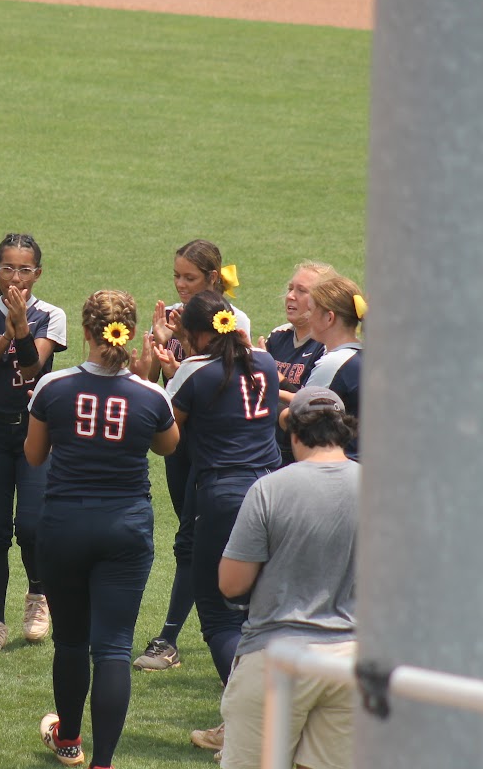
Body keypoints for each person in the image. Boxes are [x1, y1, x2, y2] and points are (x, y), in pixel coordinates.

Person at [26, 290, 180, 769]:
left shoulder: (52, 387)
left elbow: (34, 456)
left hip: (65, 526)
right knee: (112, 647)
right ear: (129, 333)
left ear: (88, 333)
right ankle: (104, 763)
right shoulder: (149, 395)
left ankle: (69, 740)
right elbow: (168, 447)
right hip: (125, 529)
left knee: (70, 642)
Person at [153, 291, 279, 753]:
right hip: (272, 489)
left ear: (196, 333)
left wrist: (160, 373)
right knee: (259, 609)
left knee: (217, 610)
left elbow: (163, 435)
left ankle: (251, 720)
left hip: (224, 496)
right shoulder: (263, 362)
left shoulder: (192, 372)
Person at [217, 386, 359, 769]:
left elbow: (232, 584)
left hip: (276, 657)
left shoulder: (270, 489)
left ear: (293, 433)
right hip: (352, 662)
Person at [134, 239, 249, 673]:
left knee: (191, 540)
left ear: (213, 279)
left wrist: (178, 349)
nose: (181, 285)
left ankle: (170, 637)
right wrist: (165, 359)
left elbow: (220, 377)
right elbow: (175, 385)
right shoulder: (176, 318)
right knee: (190, 535)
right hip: (180, 442)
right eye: (177, 276)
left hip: (211, 450)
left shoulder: (233, 321)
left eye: (191, 278)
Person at [0, 233, 67, 652]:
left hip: (34, 430)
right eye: (8, 268)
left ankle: (38, 597)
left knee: (31, 525)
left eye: (25, 270)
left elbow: (34, 364)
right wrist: (6, 334)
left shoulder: (51, 316)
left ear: (37, 273)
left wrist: (20, 328)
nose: (16, 278)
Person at [260, 261, 333, 468]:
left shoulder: (327, 347)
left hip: (304, 454)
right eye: (291, 288)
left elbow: (314, 405)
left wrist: (272, 381)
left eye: (302, 291)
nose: (290, 296)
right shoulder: (277, 335)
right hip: (269, 446)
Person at [297, 274, 365, 460]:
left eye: (310, 310)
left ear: (329, 318)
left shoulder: (334, 363)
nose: (306, 316)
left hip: (343, 469)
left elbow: (300, 418)